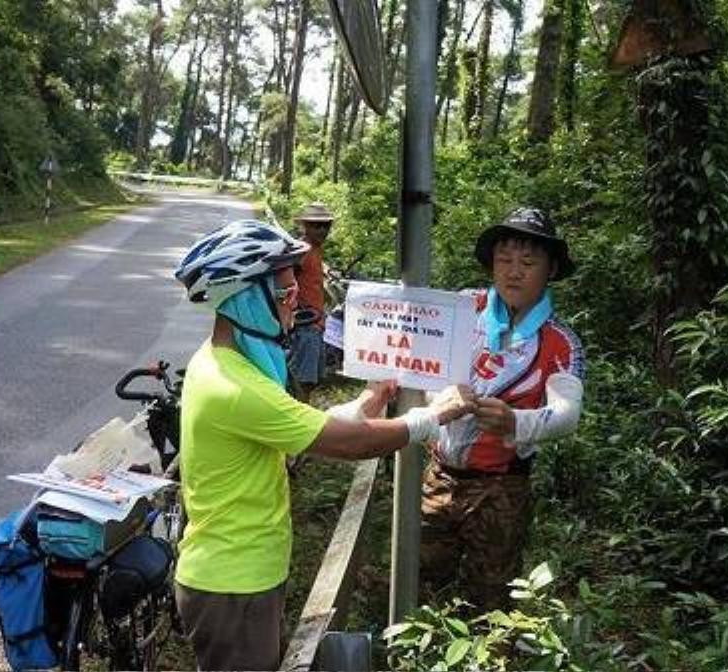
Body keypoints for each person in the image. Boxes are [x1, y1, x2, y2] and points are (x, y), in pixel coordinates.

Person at [171, 219, 475, 671]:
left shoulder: (224, 364)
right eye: (284, 294)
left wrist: (370, 400)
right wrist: (432, 417)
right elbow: (345, 443)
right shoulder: (234, 386)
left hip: (237, 573)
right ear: (244, 298)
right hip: (233, 582)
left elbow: (305, 430)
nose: (296, 303)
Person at [420, 207, 586, 610]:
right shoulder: (462, 309)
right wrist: (439, 399)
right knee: (421, 578)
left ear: (550, 270)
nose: (514, 272)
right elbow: (422, 363)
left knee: (492, 593)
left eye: (528, 262)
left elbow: (567, 415)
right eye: (505, 260)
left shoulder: (560, 342)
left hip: (502, 488)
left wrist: (514, 420)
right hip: (439, 475)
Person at [289, 202, 335, 401]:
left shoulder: (315, 250)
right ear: (305, 226)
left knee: (311, 380)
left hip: (316, 324)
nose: (322, 230)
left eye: (326, 226)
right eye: (317, 225)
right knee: (302, 380)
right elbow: (287, 278)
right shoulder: (302, 250)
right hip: (305, 324)